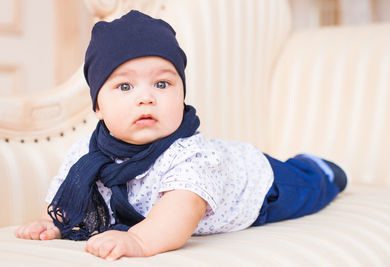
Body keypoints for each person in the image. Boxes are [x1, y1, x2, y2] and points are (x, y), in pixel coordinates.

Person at [14, 10, 347, 261]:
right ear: (97, 107)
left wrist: (140, 241)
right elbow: (69, 198)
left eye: (162, 84)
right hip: (232, 169)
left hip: (261, 187)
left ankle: (321, 168)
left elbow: (179, 215)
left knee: (310, 186)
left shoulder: (188, 156)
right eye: (124, 86)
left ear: (182, 94)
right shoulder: (87, 156)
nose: (145, 98)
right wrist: (53, 223)